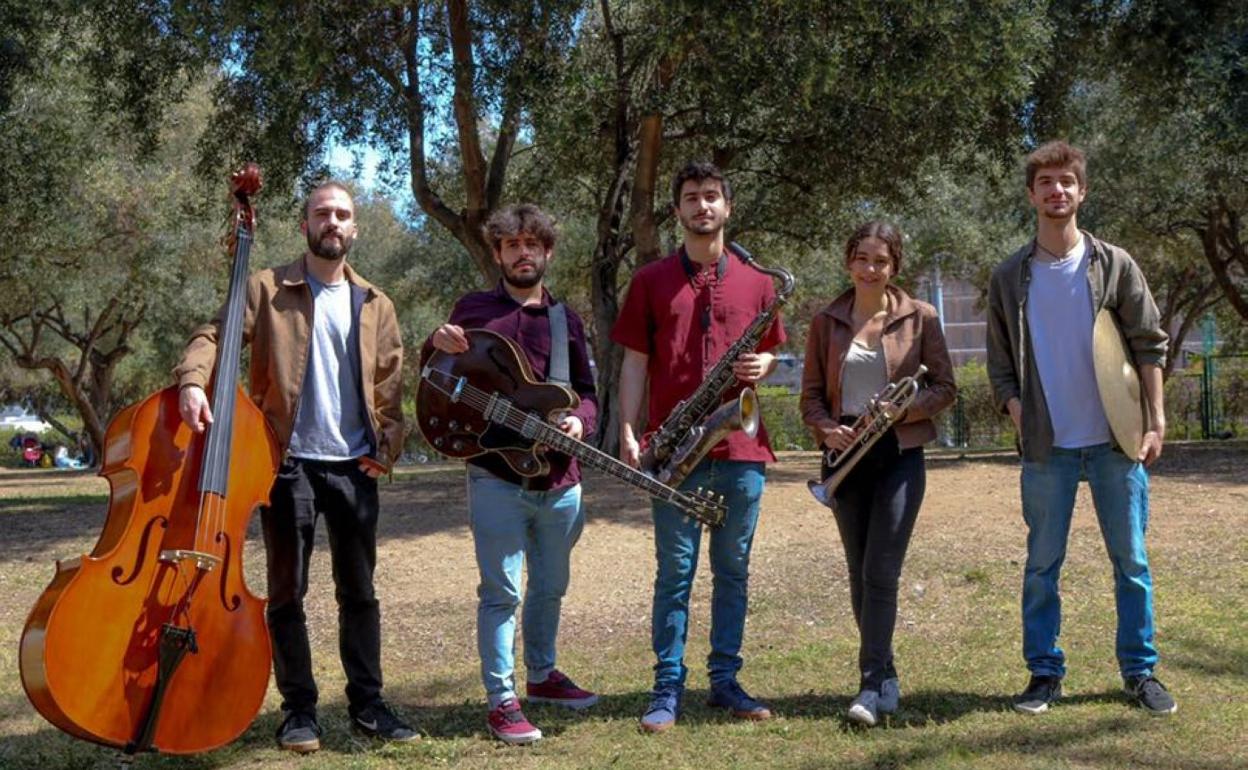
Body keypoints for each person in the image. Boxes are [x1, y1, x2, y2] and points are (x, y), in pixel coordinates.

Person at [174, 181, 415, 752]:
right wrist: (192, 382)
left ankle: (368, 704)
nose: (332, 222)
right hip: (285, 465)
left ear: (354, 229)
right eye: (322, 213)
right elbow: (212, 335)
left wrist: (390, 444)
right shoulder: (264, 289)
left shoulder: (376, 303)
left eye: (342, 215)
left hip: (354, 466)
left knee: (359, 591)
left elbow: (390, 385)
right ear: (306, 224)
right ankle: (299, 710)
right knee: (287, 593)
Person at [986, 140, 1175, 715]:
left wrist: (1155, 420)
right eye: (1046, 182)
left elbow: (1149, 343)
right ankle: (1044, 674)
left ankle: (1140, 673)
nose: (1057, 190)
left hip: (1117, 443)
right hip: (1048, 447)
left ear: (1082, 190)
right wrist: (1017, 412)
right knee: (1043, 566)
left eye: (1066, 180)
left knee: (1133, 563)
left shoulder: (1114, 264)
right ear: (1032, 194)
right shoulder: (1009, 276)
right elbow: (1000, 365)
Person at [612, 161, 785, 732]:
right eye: (691, 197)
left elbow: (773, 354)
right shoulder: (650, 280)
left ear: (727, 207)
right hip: (674, 452)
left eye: (712, 196)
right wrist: (630, 430)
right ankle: (667, 686)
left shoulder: (760, 282)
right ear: (678, 210)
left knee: (733, 570)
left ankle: (725, 681)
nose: (702, 206)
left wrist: (766, 363)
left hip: (740, 449)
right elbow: (635, 361)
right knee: (675, 573)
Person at [424, 204, 599, 745]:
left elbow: (589, 396)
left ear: (547, 252)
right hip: (495, 476)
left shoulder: (564, 318)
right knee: (501, 592)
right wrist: (434, 344)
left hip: (560, 479)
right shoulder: (472, 310)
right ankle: (502, 700)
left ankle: (543, 676)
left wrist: (579, 419)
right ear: (498, 252)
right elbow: (435, 378)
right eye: (512, 244)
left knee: (550, 587)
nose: (523, 253)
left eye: (533, 244)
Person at [799, 221, 956, 726]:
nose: (871, 269)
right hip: (844, 456)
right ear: (849, 262)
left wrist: (902, 413)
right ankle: (885, 673)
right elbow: (811, 398)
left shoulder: (921, 317)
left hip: (898, 453)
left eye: (881, 261)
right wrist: (825, 429)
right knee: (858, 571)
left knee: (880, 572)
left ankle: (868, 686)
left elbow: (946, 389)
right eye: (862, 258)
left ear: (894, 268)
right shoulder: (826, 320)